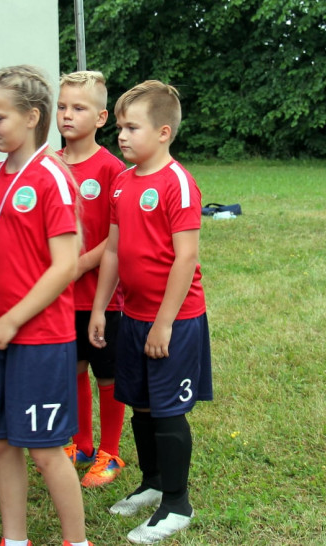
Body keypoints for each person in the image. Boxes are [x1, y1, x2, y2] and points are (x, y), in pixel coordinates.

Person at [0, 66, 93, 546]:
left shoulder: (54, 178)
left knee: (46, 451)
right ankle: (15, 540)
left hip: (39, 338)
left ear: (32, 117)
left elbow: (64, 265)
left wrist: (13, 319)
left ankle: (78, 542)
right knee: (2, 443)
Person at [89, 81, 212, 545]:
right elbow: (115, 253)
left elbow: (185, 258)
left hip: (174, 321)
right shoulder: (122, 182)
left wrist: (164, 322)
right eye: (119, 126)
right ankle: (154, 481)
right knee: (139, 403)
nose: (121, 135)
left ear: (163, 132)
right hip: (132, 315)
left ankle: (177, 504)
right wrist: (101, 307)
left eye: (131, 127)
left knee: (167, 410)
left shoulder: (177, 183)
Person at [55, 70, 128, 487]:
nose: (67, 115)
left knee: (107, 373)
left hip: (104, 298)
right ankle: (81, 442)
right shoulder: (48, 165)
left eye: (78, 108)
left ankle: (111, 452)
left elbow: (118, 239)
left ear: (101, 117)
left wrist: (79, 265)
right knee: (74, 368)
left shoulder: (112, 170)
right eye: (62, 107)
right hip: (61, 297)